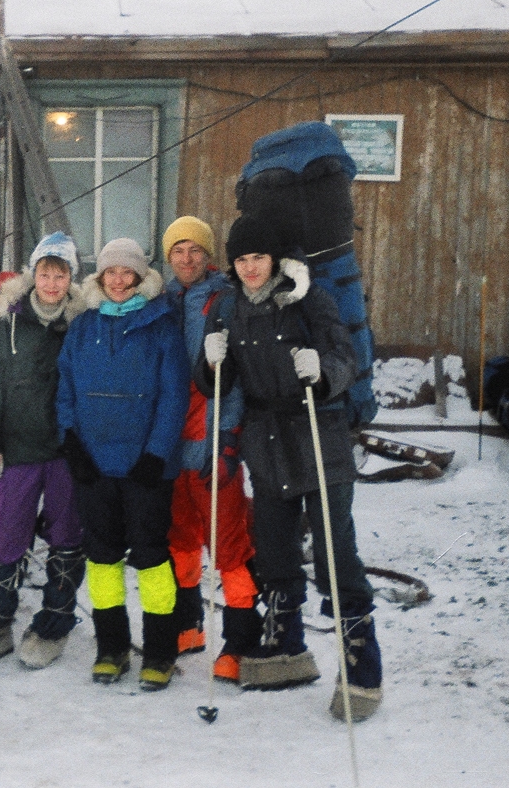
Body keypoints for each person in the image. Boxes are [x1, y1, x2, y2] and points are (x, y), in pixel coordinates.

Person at [198, 212, 383, 720]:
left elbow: (345, 357)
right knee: (274, 547)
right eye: (241, 259)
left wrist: (322, 373)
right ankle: (286, 644)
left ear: (276, 259)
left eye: (258, 257)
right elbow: (213, 383)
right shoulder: (228, 308)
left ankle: (361, 663)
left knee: (333, 551)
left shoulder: (309, 298)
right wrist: (210, 360)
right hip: (266, 439)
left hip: (318, 435)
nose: (250, 267)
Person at [56, 237, 189, 690]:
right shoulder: (82, 327)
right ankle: (111, 648)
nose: (117, 280)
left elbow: (173, 395)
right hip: (94, 466)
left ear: (139, 276)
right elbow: (65, 388)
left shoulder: (161, 326)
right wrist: (70, 441)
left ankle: (160, 652)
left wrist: (157, 453)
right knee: (102, 557)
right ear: (99, 277)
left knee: (151, 558)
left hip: (144, 468)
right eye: (110, 272)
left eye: (126, 272)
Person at [0, 233, 88, 671]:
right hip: (18, 450)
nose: (52, 283)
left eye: (61, 275)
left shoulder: (82, 326)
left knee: (67, 534)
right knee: (4, 532)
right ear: (33, 276)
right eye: (45, 274)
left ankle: (55, 618)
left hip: (67, 452)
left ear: (71, 280)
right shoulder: (6, 327)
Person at [160, 216, 260, 682]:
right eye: (178, 251)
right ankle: (188, 624)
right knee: (179, 541)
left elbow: (235, 382)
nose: (186, 259)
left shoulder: (226, 300)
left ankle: (239, 639)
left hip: (211, 444)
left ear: (208, 255)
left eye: (194, 250)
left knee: (229, 546)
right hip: (170, 446)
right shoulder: (163, 300)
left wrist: (228, 441)